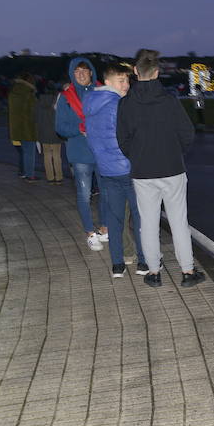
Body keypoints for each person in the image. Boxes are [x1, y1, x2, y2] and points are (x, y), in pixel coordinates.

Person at [116, 49, 204, 288]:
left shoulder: (126, 104)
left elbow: (122, 139)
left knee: (148, 222)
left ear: (135, 71)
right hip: (172, 168)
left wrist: (137, 156)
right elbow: (187, 134)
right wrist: (175, 153)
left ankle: (154, 272)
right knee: (178, 222)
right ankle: (187, 271)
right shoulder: (169, 102)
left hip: (143, 171)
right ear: (157, 72)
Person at [84, 62, 148, 279]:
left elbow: (92, 140)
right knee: (140, 218)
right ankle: (143, 261)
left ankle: (118, 265)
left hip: (107, 170)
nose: (127, 85)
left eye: (128, 80)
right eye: (121, 80)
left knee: (114, 218)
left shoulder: (91, 103)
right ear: (108, 82)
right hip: (129, 169)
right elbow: (133, 138)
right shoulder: (119, 104)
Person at [55, 57, 109, 251]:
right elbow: (60, 127)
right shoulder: (66, 97)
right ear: (72, 74)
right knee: (84, 194)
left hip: (102, 151)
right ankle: (89, 232)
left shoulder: (102, 92)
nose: (81, 74)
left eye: (84, 70)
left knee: (106, 192)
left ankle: (104, 228)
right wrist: (80, 128)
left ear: (91, 72)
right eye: (77, 71)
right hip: (80, 154)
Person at [8, 73, 39, 180]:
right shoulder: (29, 92)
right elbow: (32, 111)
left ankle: (24, 172)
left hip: (16, 127)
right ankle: (30, 175)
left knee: (24, 151)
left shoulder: (13, 91)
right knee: (30, 152)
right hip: (28, 127)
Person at [36, 87, 64, 184]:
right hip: (55, 134)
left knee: (47, 156)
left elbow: (37, 121)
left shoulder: (39, 105)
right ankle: (59, 177)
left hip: (43, 134)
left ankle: (50, 177)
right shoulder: (56, 105)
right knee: (56, 155)